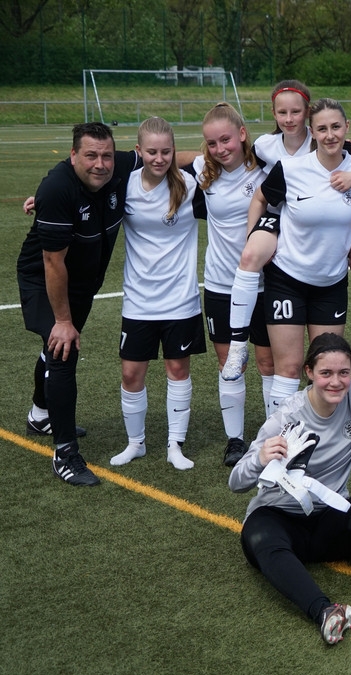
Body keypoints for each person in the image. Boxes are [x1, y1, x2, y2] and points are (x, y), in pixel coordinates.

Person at [229, 333, 351, 644]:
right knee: (257, 534)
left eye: (343, 373)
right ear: (309, 372)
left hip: (330, 523)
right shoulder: (287, 415)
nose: (335, 382)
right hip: (280, 521)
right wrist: (260, 458)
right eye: (326, 373)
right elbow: (236, 482)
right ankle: (324, 611)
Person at [221, 82, 351, 379]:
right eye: (322, 129)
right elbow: (257, 193)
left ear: (346, 128)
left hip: (335, 243)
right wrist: (252, 234)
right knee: (251, 255)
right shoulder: (278, 157)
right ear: (312, 132)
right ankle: (237, 345)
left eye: (336, 127)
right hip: (284, 225)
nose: (330, 134)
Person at [16, 122, 140, 486]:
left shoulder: (117, 165)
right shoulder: (58, 188)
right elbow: (53, 262)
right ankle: (65, 453)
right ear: (73, 156)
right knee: (63, 349)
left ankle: (40, 415)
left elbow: (162, 157)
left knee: (54, 348)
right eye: (90, 156)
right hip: (45, 279)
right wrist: (63, 320)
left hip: (84, 281)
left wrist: (223, 157)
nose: (100, 164)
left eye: (106, 156)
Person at [108, 117, 205, 471]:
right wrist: (42, 200)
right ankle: (135, 443)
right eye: (152, 152)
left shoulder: (190, 186)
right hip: (138, 300)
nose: (159, 158)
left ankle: (174, 445)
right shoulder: (124, 185)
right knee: (131, 374)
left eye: (166, 151)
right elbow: (79, 193)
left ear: (174, 151)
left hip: (181, 299)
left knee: (177, 369)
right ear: (139, 151)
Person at [188, 103, 273, 467]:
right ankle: (235, 440)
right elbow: (166, 158)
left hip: (266, 285)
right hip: (221, 284)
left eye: (226, 140)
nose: (220, 149)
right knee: (229, 364)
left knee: (268, 362)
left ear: (242, 134)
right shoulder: (202, 171)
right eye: (212, 143)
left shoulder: (266, 168)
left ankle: (271, 435)